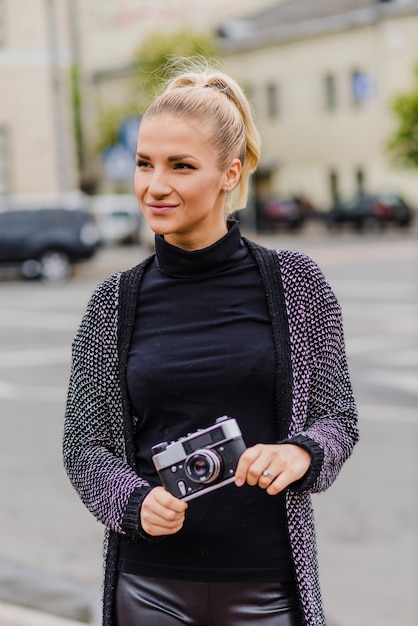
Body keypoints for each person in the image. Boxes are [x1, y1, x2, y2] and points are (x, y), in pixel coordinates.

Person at [63, 58, 359, 626]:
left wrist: (300, 452)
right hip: (148, 589)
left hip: (268, 588)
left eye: (181, 165)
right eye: (144, 163)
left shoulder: (296, 283)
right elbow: (84, 447)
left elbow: (337, 418)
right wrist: (132, 500)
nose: (155, 185)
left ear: (230, 172)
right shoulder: (111, 303)